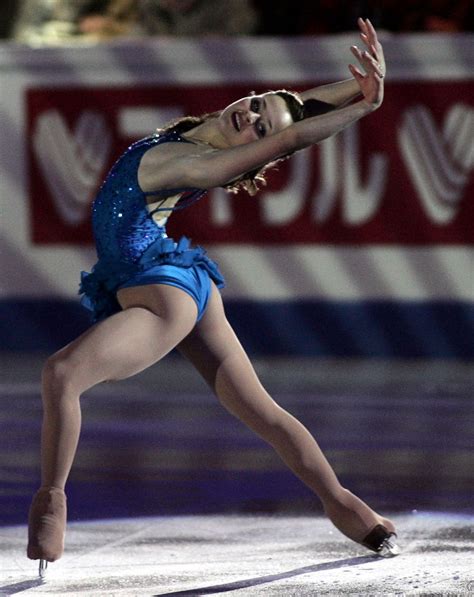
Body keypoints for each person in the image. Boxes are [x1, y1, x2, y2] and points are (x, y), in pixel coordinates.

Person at [27, 18, 399, 572]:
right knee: (262, 413)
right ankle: (349, 509)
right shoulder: (202, 132)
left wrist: (365, 110)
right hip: (181, 280)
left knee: (62, 375)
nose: (248, 115)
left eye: (258, 127)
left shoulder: (200, 164)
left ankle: (51, 503)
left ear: (259, 146)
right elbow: (296, 109)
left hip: (162, 297)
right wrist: (356, 89)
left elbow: (293, 132)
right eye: (255, 105)